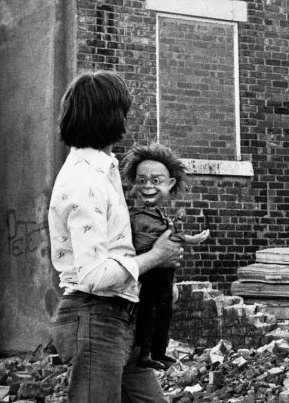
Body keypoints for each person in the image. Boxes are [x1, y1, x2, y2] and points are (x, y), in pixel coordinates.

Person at [48, 71, 184, 402]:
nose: (127, 117)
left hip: (120, 315)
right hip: (95, 318)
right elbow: (94, 274)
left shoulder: (104, 171)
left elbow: (116, 251)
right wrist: (155, 257)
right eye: (124, 110)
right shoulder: (86, 182)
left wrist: (150, 279)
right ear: (112, 117)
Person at [122, 143, 210, 371]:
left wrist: (192, 239)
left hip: (165, 277)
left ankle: (159, 352)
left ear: (169, 184)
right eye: (142, 181)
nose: (148, 186)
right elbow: (145, 243)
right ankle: (143, 353)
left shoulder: (161, 216)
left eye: (156, 180)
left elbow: (171, 237)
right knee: (146, 315)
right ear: (133, 185)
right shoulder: (135, 218)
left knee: (164, 314)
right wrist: (157, 250)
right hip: (149, 275)